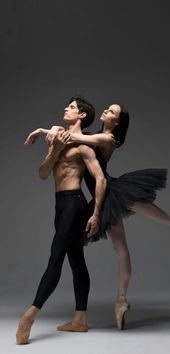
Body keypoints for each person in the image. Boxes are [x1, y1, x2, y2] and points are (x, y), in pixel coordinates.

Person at [25, 103, 170, 330]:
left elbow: (77, 140)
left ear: (117, 123)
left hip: (114, 191)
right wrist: (51, 130)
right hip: (101, 200)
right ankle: (121, 301)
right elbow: (73, 138)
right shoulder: (92, 134)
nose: (106, 111)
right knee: (120, 248)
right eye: (107, 109)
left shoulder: (108, 140)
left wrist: (48, 131)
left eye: (112, 112)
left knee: (163, 217)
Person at [16, 96, 107, 344]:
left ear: (82, 116)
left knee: (56, 256)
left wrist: (96, 213)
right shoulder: (56, 139)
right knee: (76, 260)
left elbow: (100, 179)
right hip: (60, 204)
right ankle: (80, 319)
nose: (67, 108)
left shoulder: (84, 146)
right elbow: (43, 174)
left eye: (73, 107)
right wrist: (54, 150)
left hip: (75, 204)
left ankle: (30, 315)